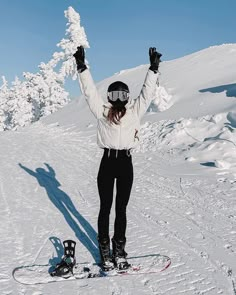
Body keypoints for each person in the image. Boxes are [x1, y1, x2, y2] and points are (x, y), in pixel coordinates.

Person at [73, 46, 162, 271]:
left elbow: (147, 93)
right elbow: (90, 92)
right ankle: (105, 249)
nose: (119, 99)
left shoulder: (134, 111)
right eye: (115, 95)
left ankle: (119, 250)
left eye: (123, 95)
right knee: (105, 207)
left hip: (125, 163)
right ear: (110, 97)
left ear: (127, 97)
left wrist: (153, 69)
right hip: (107, 162)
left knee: (121, 208)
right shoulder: (102, 111)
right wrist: (82, 67)